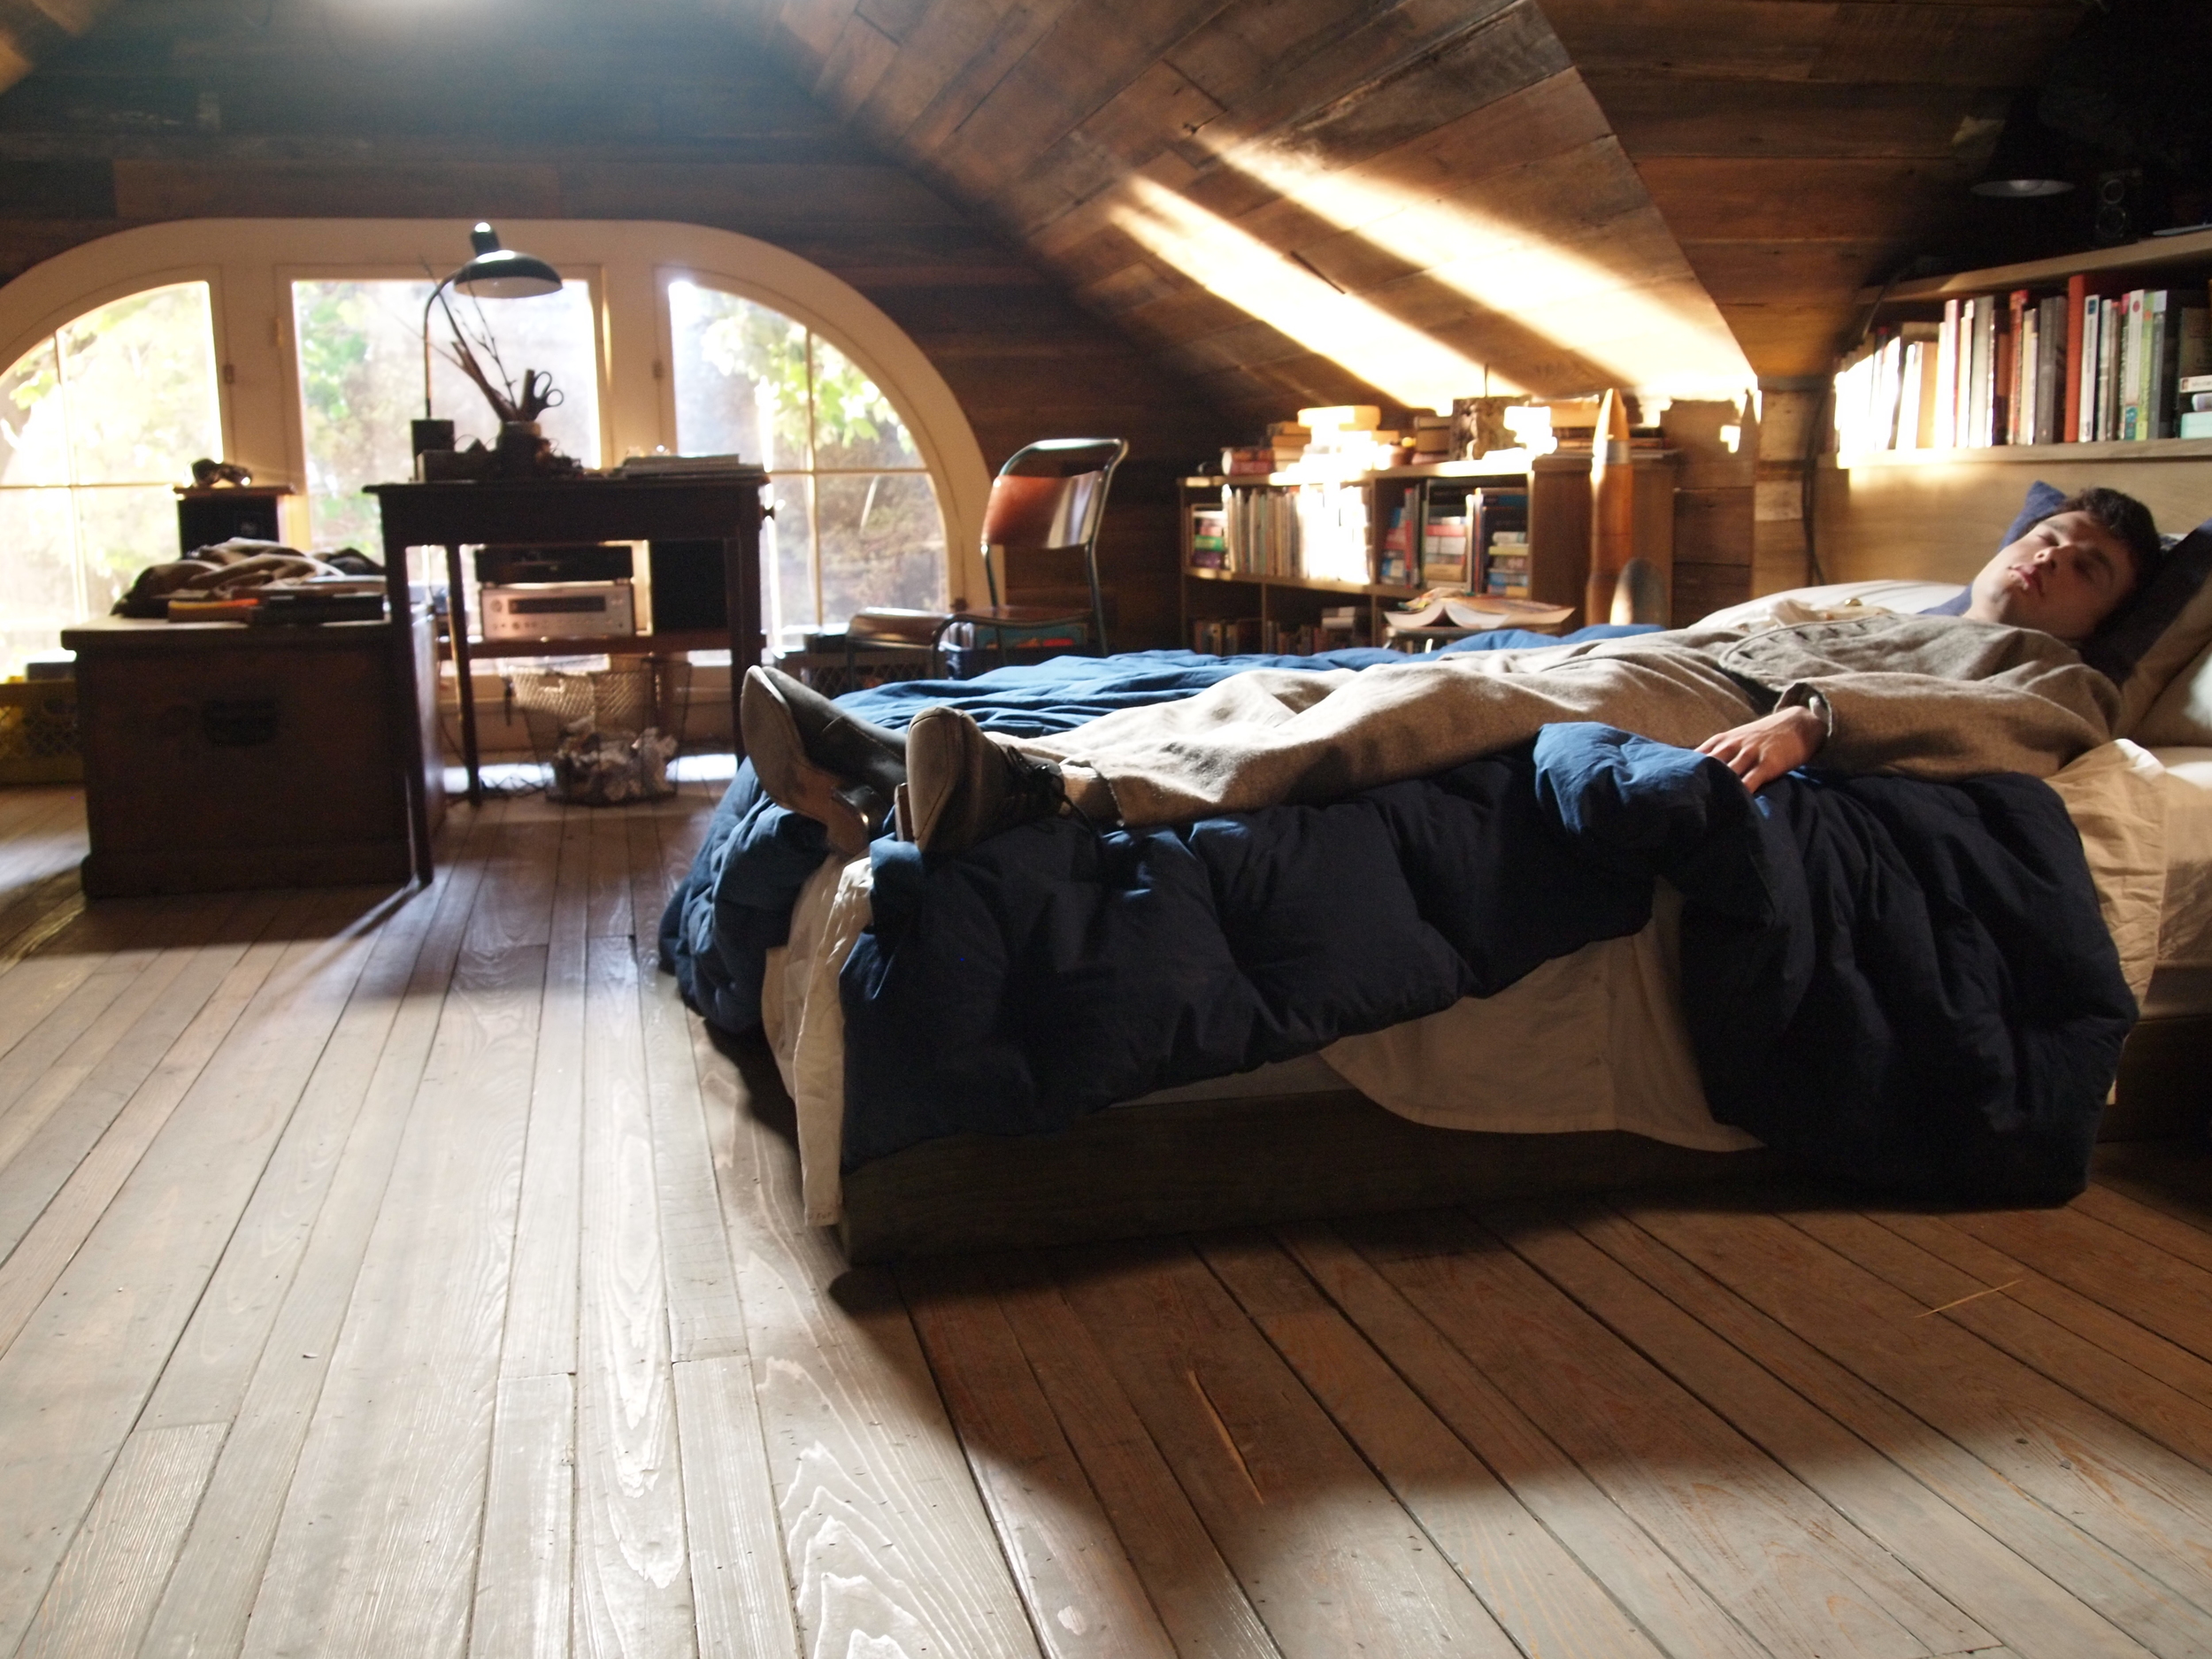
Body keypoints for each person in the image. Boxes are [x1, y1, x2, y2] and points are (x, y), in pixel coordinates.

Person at [742, 487, 2161, 857]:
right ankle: (910, 765)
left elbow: (1994, 728)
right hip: (1673, 653)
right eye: (2052, 537)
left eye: (2090, 564)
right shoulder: (1873, 594)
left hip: (1720, 700)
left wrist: (1813, 721)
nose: (2053, 560)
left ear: (2105, 614)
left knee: (1444, 699)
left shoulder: (2047, 671)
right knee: (1295, 685)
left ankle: (1062, 802)